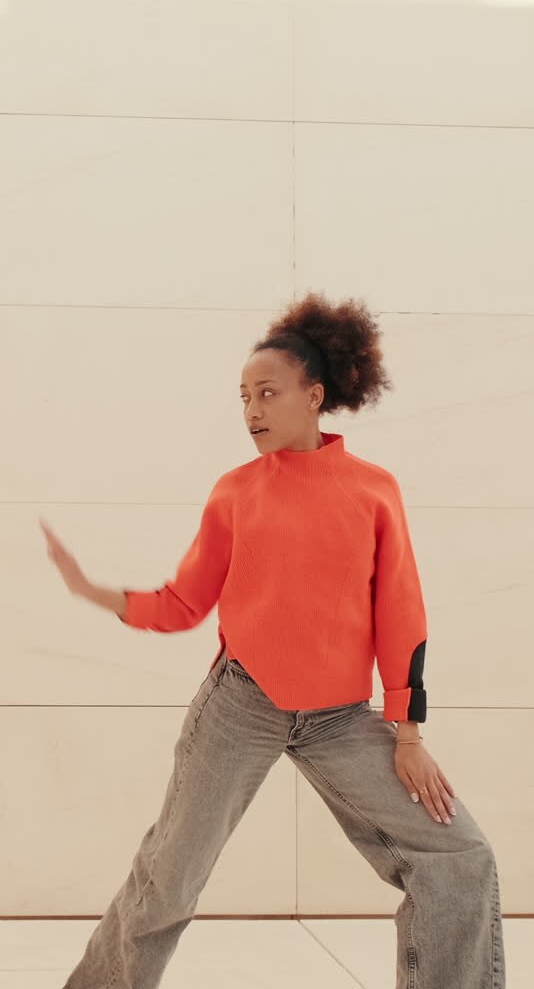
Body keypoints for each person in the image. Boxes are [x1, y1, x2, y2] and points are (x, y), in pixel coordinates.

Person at [40, 291, 506, 989]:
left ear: (314, 396)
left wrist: (407, 732)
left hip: (341, 718)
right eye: (244, 397)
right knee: (169, 880)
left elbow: (401, 613)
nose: (252, 410)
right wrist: (98, 593)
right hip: (241, 705)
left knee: (459, 856)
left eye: (268, 392)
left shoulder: (374, 491)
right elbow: (184, 603)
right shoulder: (235, 492)